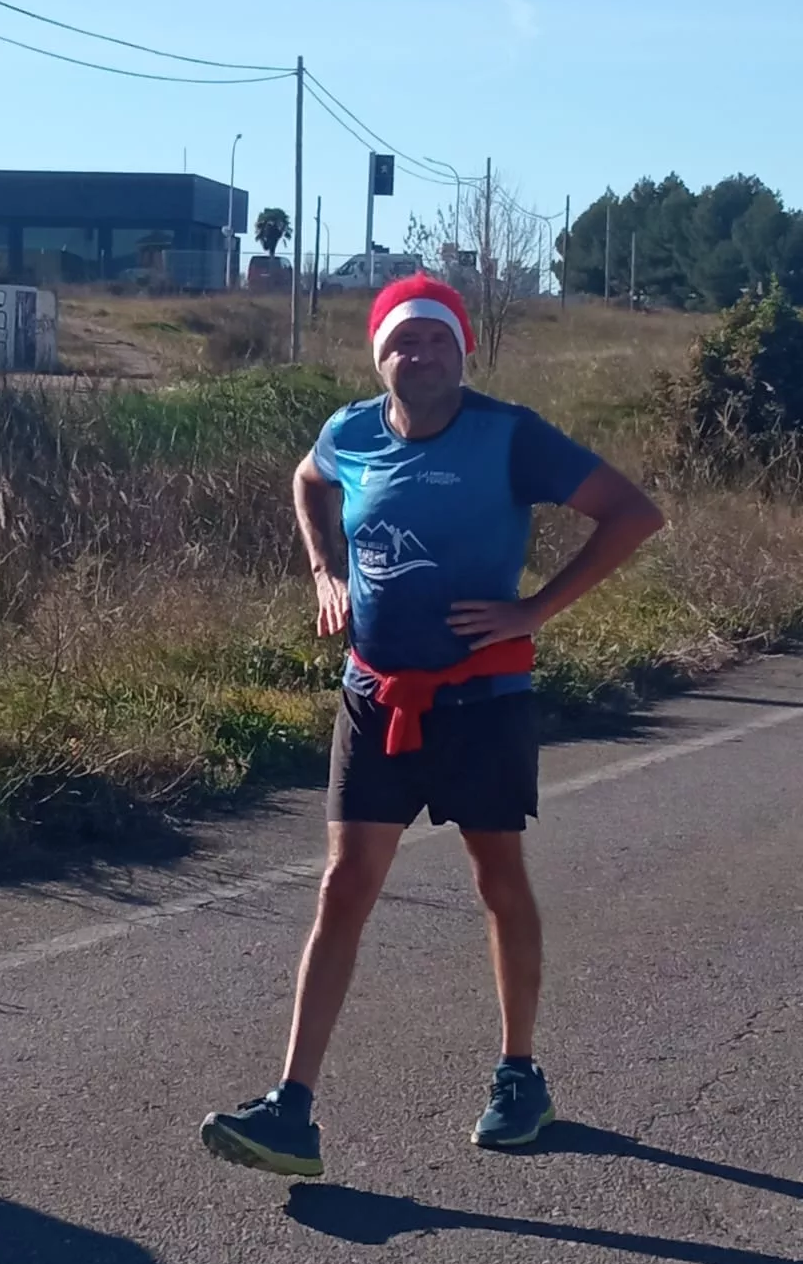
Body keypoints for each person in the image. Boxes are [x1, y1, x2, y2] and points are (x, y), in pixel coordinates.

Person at [201, 273, 664, 1178]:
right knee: (344, 884)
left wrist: (536, 611)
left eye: (436, 340)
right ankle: (292, 1108)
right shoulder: (350, 432)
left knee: (497, 877)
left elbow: (633, 514)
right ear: (379, 354)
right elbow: (308, 478)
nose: (419, 355)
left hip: (481, 703)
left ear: (466, 350)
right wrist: (325, 570)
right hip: (374, 696)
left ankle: (519, 1074)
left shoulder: (509, 436)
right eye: (402, 342)